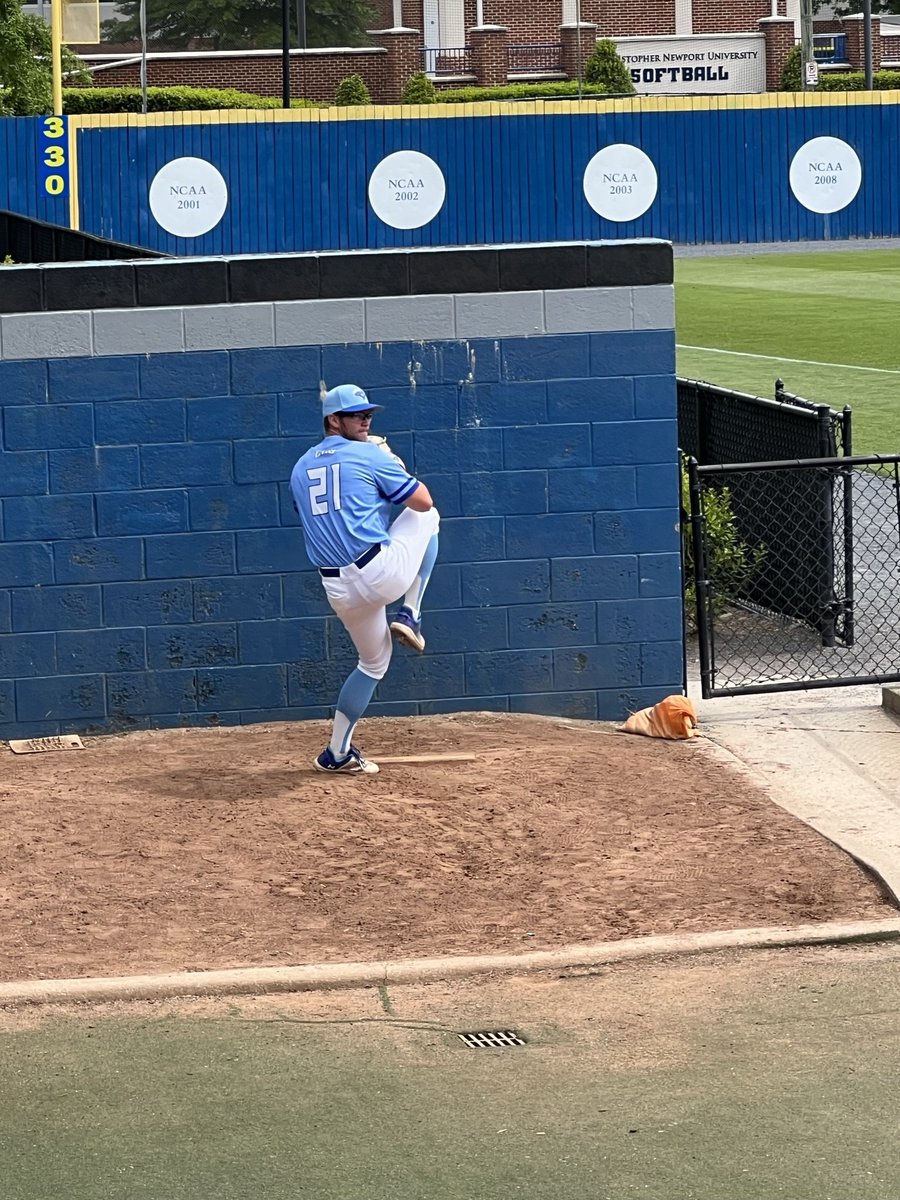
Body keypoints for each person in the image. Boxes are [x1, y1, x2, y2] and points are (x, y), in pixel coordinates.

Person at [290, 384, 440, 775]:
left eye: (368, 413)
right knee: (429, 517)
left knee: (372, 664)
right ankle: (410, 612)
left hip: (338, 588)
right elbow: (420, 500)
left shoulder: (300, 467)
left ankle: (336, 753)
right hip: (378, 571)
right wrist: (388, 458)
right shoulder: (369, 454)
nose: (366, 419)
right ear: (333, 420)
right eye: (357, 415)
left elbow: (339, 510)